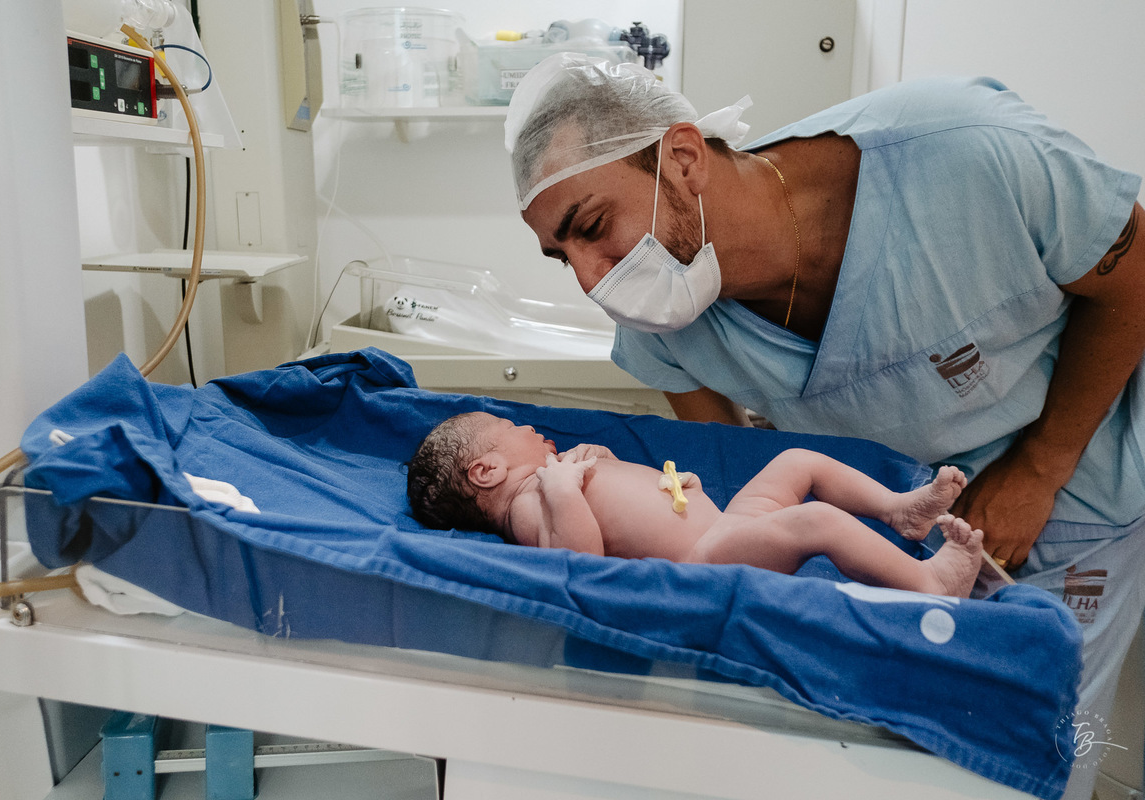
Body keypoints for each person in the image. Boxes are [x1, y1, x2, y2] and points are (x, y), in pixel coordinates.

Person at [505, 54, 1145, 798]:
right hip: (888, 534)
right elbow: (729, 472)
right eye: (562, 257)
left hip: (1075, 495)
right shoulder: (661, 320)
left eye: (592, 226)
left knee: (1029, 760)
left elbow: (1133, 281)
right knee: (915, 765)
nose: (591, 278)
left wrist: (1041, 470)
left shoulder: (966, 156)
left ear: (681, 159)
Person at [407, 411, 984, 597]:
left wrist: (599, 460)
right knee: (815, 521)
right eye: (512, 427)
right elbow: (578, 564)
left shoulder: (556, 475)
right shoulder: (530, 505)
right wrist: (562, 487)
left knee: (796, 463)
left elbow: (618, 502)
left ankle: (896, 509)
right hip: (710, 557)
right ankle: (928, 583)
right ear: (486, 472)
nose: (531, 427)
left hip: (723, 525)